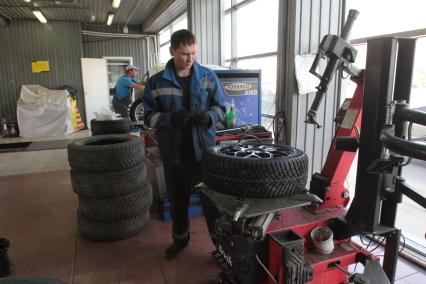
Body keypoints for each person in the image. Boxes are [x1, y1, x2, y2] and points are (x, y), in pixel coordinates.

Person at [143, 29, 226, 259]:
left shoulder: (208, 77)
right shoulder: (156, 82)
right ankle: (180, 240)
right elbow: (148, 117)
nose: (190, 59)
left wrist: (210, 116)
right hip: (175, 154)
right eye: (184, 54)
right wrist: (170, 119)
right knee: (179, 201)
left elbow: (222, 108)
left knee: (212, 203)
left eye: (193, 53)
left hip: (204, 154)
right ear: (172, 51)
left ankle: (222, 247)